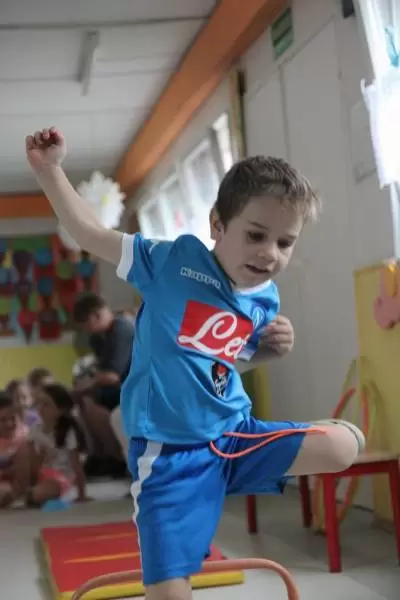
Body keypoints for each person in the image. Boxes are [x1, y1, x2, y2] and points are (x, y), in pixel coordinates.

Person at [26, 128, 365, 600]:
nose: (269, 253)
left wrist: (266, 352)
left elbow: (222, 368)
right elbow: (89, 233)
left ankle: (221, 478)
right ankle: (196, 497)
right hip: (169, 455)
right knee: (170, 593)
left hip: (236, 436)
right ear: (217, 225)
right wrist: (51, 170)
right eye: (256, 235)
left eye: (285, 243)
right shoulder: (168, 263)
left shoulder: (263, 299)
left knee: (345, 445)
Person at [71, 293, 135, 475]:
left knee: (88, 401)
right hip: (118, 388)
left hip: (135, 389)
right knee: (81, 399)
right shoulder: (98, 338)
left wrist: (86, 385)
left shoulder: (121, 329)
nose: (86, 330)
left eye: (86, 325)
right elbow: (101, 372)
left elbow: (112, 376)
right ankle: (100, 454)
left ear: (96, 315)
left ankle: (115, 456)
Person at [28, 383, 89, 506]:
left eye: (46, 404)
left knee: (41, 492)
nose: (40, 408)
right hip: (42, 475)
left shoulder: (67, 431)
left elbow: (76, 465)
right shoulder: (34, 431)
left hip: (61, 478)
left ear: (61, 410)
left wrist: (81, 494)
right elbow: (32, 465)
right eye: (39, 403)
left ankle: (35, 494)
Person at [0, 392, 31, 507]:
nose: (9, 424)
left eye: (13, 419)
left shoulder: (25, 436)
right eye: (2, 420)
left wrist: (5, 473)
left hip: (15, 485)